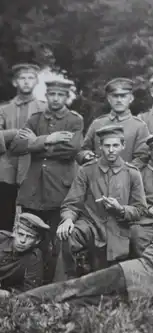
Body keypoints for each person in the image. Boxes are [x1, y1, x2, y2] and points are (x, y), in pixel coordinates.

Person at [16, 218, 153, 303]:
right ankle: (21, 301)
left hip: (151, 293)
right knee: (77, 286)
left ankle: (42, 307)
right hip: (133, 272)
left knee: (86, 303)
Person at [10, 78, 83, 282]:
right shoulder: (35, 119)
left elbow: (71, 150)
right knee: (28, 234)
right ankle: (28, 279)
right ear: (46, 96)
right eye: (52, 94)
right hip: (33, 188)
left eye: (60, 94)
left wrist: (34, 143)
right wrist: (49, 139)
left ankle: (55, 282)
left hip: (58, 189)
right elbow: (16, 147)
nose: (56, 98)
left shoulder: (74, 120)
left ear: (67, 97)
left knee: (57, 240)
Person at [55, 125, 147, 281]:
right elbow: (71, 202)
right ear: (100, 147)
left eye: (116, 145)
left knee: (113, 276)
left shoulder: (132, 173)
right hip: (91, 225)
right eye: (107, 145)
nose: (111, 150)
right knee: (69, 234)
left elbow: (141, 210)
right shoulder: (87, 170)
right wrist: (68, 219)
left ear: (123, 146)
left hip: (119, 227)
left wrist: (121, 209)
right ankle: (64, 286)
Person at [0, 63, 46, 231]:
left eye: (30, 78)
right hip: (6, 172)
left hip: (35, 170)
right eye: (22, 78)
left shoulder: (45, 109)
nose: (26, 82)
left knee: (34, 222)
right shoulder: (4, 110)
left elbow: (51, 139)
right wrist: (15, 133)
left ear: (36, 82)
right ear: (14, 82)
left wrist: (36, 141)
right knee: (4, 220)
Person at [76, 78, 149, 165]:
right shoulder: (97, 123)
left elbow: (143, 157)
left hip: (127, 176)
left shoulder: (139, 126)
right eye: (115, 96)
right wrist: (87, 156)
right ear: (108, 99)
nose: (119, 100)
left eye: (123, 96)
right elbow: (82, 151)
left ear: (131, 98)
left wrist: (124, 171)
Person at [0, 213, 49, 293]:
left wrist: (6, 293)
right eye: (20, 234)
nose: (22, 240)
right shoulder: (2, 239)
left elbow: (30, 290)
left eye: (29, 237)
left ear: (37, 240)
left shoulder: (34, 257)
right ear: (14, 232)